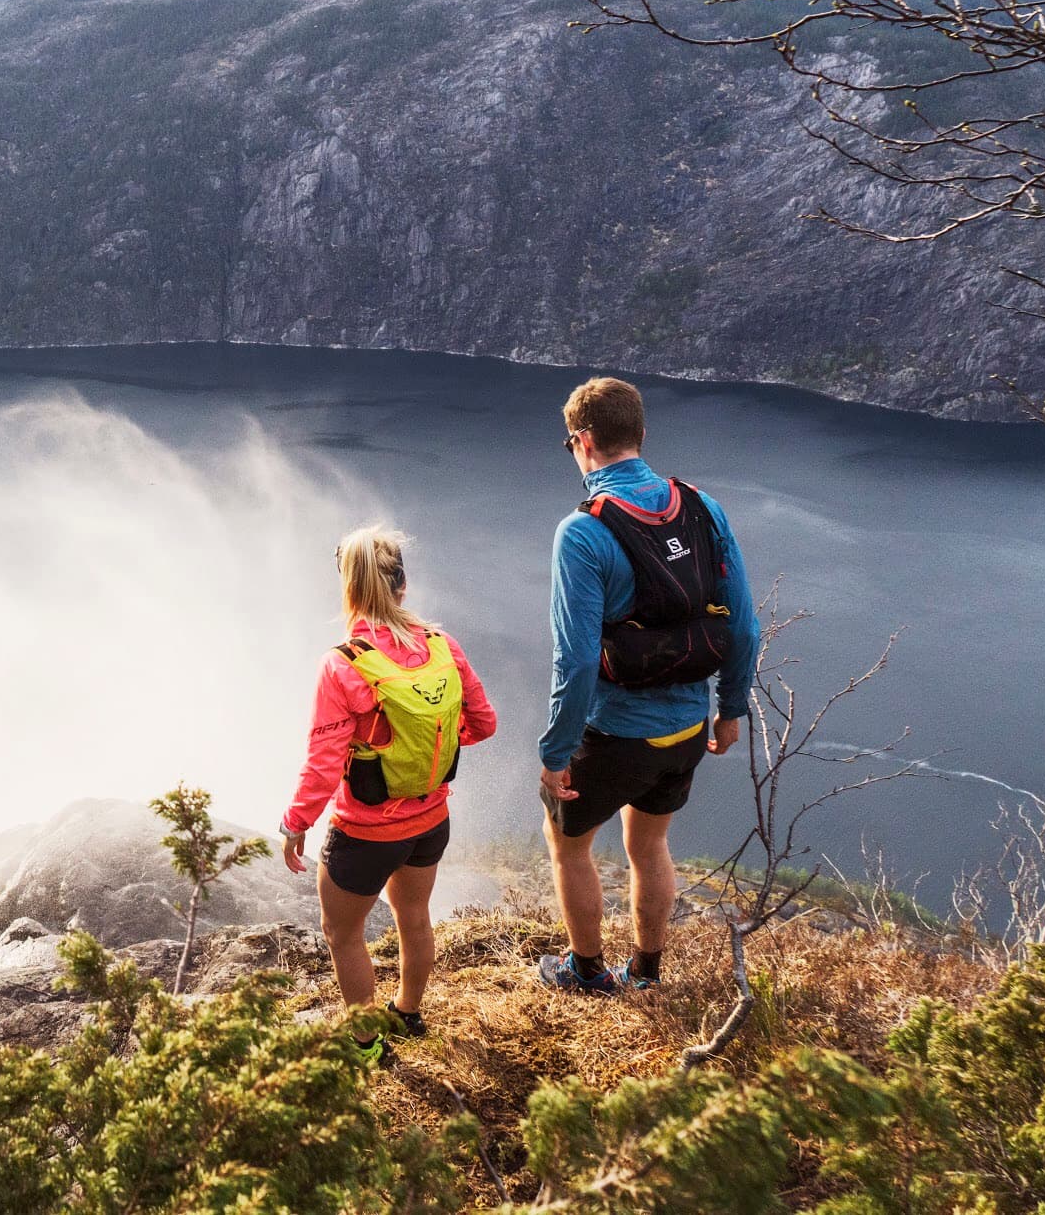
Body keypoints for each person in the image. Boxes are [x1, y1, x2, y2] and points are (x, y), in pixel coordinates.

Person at [537, 377, 761, 995]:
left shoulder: (582, 532)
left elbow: (577, 661)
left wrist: (556, 754)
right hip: (687, 730)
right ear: (639, 434)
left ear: (583, 441)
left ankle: (586, 972)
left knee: (569, 844)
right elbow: (744, 624)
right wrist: (730, 708)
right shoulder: (701, 506)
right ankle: (647, 972)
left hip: (616, 733)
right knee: (650, 842)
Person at [282, 526, 497, 1065]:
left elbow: (324, 763)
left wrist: (296, 823)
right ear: (402, 586)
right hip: (431, 822)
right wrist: (427, 749)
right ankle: (408, 1014)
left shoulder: (344, 663)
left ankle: (365, 1044)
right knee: (415, 917)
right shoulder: (442, 646)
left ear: (351, 590)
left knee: (343, 933)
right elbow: (482, 723)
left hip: (365, 833)